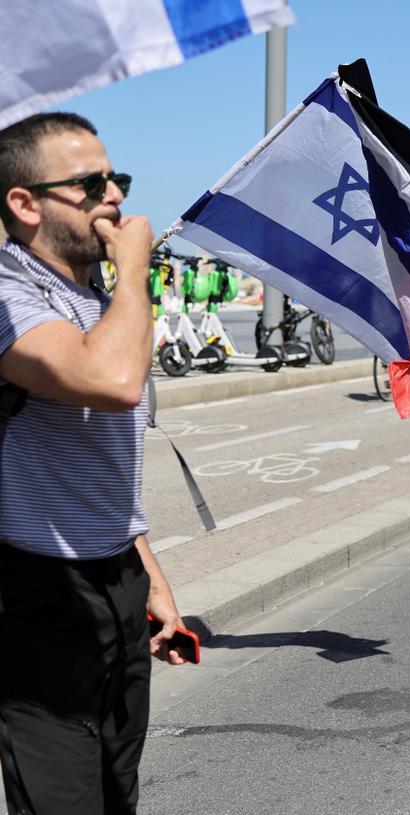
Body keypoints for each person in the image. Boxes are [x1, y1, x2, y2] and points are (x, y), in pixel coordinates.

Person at [0, 112, 187, 814]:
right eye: (90, 183)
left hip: (116, 577)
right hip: (38, 593)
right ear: (25, 203)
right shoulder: (7, 298)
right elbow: (113, 382)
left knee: (117, 787)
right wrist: (134, 269)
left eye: (117, 179)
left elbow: (99, 460)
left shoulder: (98, 301)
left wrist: (150, 576)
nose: (113, 195)